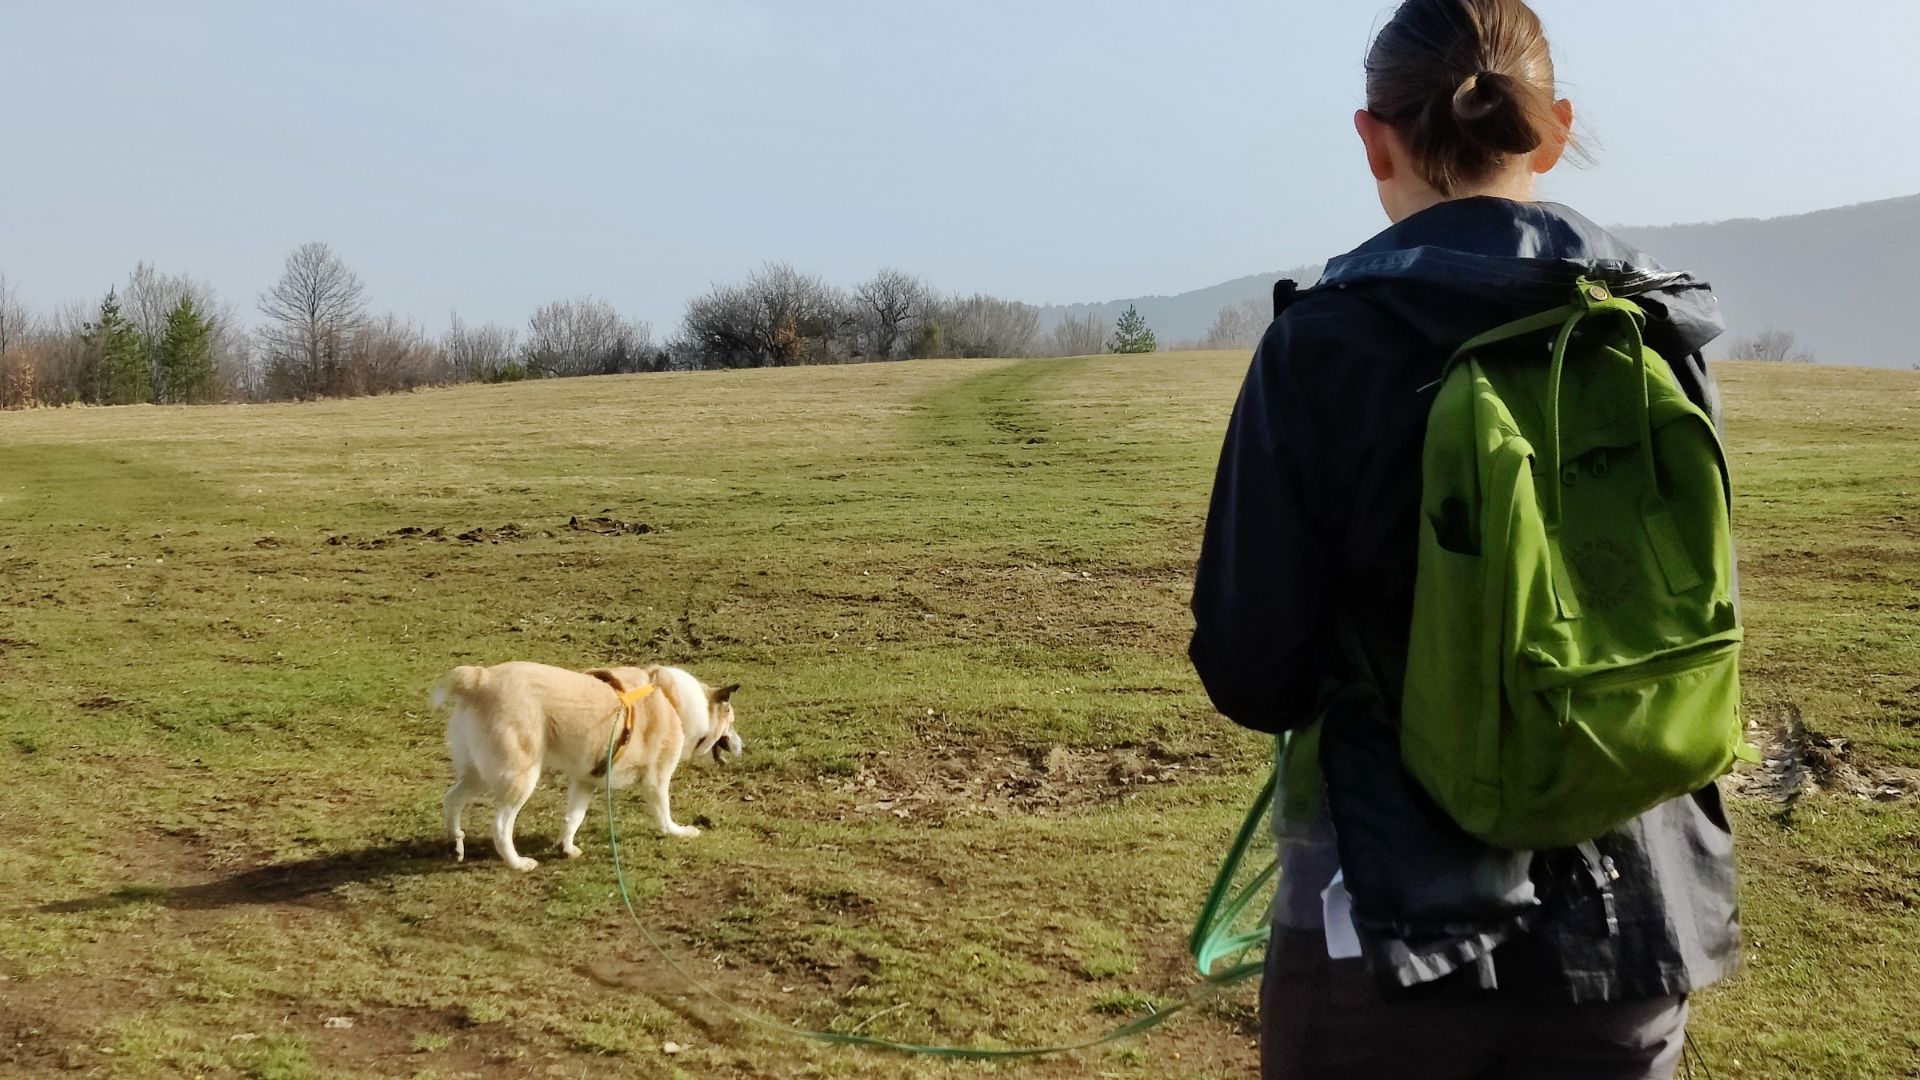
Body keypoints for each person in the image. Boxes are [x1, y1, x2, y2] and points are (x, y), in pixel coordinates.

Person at [1187, 2, 1740, 1078]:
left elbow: (1252, 667)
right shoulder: (1658, 328)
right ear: (1551, 126)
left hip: (1381, 933)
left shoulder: (1321, 343)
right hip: (1634, 923)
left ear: (1373, 137)